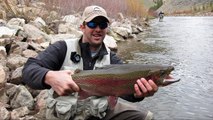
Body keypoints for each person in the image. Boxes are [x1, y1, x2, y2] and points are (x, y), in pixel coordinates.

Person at [22, 5, 158, 120]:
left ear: (107, 28)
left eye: (102, 25)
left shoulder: (112, 59)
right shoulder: (62, 48)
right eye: (92, 24)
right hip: (65, 114)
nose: (98, 29)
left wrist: (138, 93)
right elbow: (29, 69)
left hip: (96, 113)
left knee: (146, 117)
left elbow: (125, 93)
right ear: (82, 27)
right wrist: (49, 77)